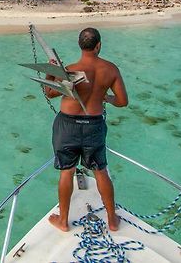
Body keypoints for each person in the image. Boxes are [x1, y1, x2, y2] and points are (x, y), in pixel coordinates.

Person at [44, 27, 128, 232]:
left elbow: (49, 93)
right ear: (98, 45)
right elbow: (122, 101)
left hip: (68, 125)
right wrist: (104, 97)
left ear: (80, 45)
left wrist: (50, 70)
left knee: (66, 171)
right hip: (94, 125)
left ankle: (63, 221)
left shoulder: (70, 69)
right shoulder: (111, 69)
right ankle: (112, 220)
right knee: (100, 171)